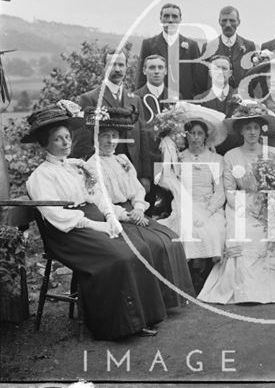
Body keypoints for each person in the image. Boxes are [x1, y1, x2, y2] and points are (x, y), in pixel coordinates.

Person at [23, 101, 177, 340]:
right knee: (119, 258)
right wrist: (99, 225)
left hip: (93, 219)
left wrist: (110, 216)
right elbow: (58, 217)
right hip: (67, 233)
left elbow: (99, 196)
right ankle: (118, 325)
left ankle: (145, 315)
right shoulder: (40, 177)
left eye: (67, 137)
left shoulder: (77, 166)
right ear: (45, 144)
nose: (66, 144)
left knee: (136, 248)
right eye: (58, 139)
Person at [83, 106, 195, 305]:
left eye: (115, 135)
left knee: (170, 238)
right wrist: (127, 215)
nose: (111, 141)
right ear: (95, 139)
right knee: (150, 245)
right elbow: (99, 200)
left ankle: (171, 297)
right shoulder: (90, 167)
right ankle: (151, 303)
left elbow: (136, 190)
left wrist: (139, 208)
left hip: (134, 211)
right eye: (105, 136)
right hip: (113, 217)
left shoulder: (122, 160)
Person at [198, 102, 275, 304]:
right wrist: (244, 205)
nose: (252, 132)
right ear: (241, 131)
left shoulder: (273, 153)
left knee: (264, 228)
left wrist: (264, 202)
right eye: (248, 128)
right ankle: (242, 290)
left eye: (256, 127)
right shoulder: (231, 156)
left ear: (261, 129)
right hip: (239, 205)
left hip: (266, 204)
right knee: (244, 229)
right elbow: (229, 190)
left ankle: (266, 289)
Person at [154, 104, 228, 293]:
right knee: (185, 228)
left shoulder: (215, 159)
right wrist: (167, 153)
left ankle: (205, 271)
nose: (195, 137)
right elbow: (162, 179)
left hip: (209, 206)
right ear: (186, 135)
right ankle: (189, 275)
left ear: (206, 136)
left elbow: (220, 191)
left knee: (212, 229)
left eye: (199, 133)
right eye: (191, 133)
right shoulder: (179, 158)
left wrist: (209, 211)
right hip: (183, 205)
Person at [71, 50, 144, 175]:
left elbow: (143, 139)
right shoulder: (90, 99)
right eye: (112, 65)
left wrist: (144, 175)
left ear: (126, 68)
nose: (117, 69)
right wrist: (89, 174)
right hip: (102, 172)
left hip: (132, 171)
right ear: (104, 67)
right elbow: (81, 143)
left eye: (121, 65)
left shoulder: (135, 99)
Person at [135, 3, 203, 99]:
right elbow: (141, 77)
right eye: (166, 16)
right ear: (160, 19)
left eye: (174, 16)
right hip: (155, 100)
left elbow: (198, 79)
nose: (170, 20)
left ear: (180, 19)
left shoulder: (192, 46)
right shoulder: (148, 44)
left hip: (185, 101)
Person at [135, 54, 174, 217]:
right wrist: (143, 174)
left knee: (170, 212)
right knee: (146, 212)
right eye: (152, 67)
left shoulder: (174, 98)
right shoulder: (135, 98)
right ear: (144, 70)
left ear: (166, 71)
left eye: (160, 68)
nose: (156, 71)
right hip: (147, 166)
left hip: (169, 165)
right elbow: (135, 139)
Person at [193, 55, 242, 155]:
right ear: (210, 73)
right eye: (216, 68)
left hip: (236, 155)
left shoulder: (241, 98)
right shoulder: (199, 100)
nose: (220, 72)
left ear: (230, 73)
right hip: (209, 154)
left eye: (224, 68)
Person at [200, 6, 257, 89]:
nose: (228, 24)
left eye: (232, 20)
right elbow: (202, 79)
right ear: (219, 22)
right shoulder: (208, 47)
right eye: (224, 20)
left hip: (242, 98)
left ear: (238, 22)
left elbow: (252, 77)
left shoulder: (249, 46)